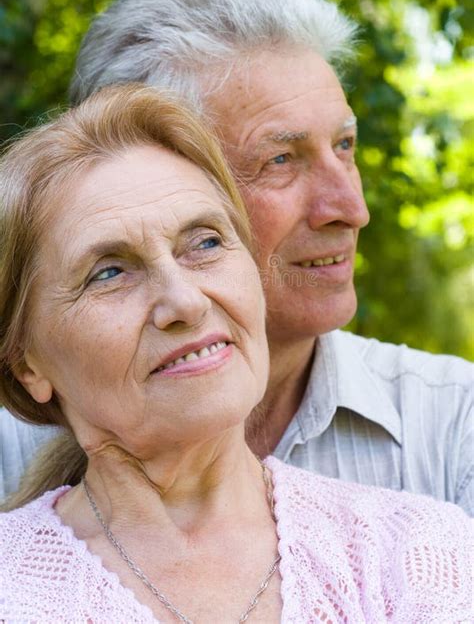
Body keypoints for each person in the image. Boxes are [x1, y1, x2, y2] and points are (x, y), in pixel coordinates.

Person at [1, 0, 472, 513]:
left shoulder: (450, 424)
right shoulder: (13, 460)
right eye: (279, 160)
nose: (351, 210)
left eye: (345, 146)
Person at [0, 84, 471, 623]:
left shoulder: (419, 555)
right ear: (27, 364)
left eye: (204, 242)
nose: (184, 301)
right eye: (109, 272)